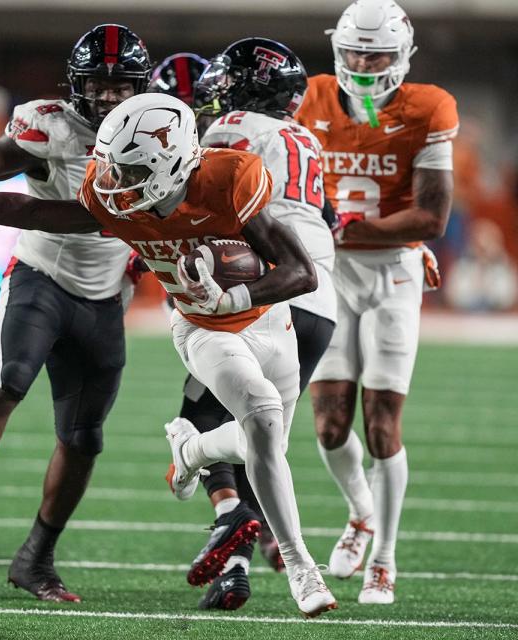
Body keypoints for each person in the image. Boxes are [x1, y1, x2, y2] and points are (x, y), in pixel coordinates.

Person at [0, 91, 338, 618]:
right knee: (265, 421)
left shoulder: (230, 178)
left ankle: (193, 452)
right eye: (111, 167)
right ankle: (302, 566)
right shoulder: (111, 188)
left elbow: (301, 272)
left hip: (267, 319)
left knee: (265, 446)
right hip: (202, 327)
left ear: (172, 164)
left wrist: (234, 295)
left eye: (128, 170)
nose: (112, 181)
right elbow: (43, 212)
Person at [0, 23, 152, 603]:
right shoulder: (52, 121)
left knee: (84, 436)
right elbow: (4, 159)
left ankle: (36, 557)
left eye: (122, 86)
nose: (111, 96)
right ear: (76, 84)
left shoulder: (159, 126)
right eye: (99, 84)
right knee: (8, 381)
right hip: (41, 277)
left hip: (105, 294)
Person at [166, 37, 337, 610]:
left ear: (244, 90)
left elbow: (192, 182)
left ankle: (191, 458)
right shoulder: (307, 138)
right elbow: (328, 221)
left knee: (209, 415)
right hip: (321, 297)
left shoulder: (234, 126)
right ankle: (240, 562)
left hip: (261, 288)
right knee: (268, 440)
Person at [296, 0, 456, 605]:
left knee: (382, 426)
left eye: (378, 53)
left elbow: (433, 217)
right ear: (337, 48)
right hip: (329, 274)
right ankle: (361, 513)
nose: (364, 63)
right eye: (356, 50)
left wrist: (352, 228)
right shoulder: (306, 98)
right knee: (331, 424)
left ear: (403, 57)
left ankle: (383, 560)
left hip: (392, 272)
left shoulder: (429, 107)